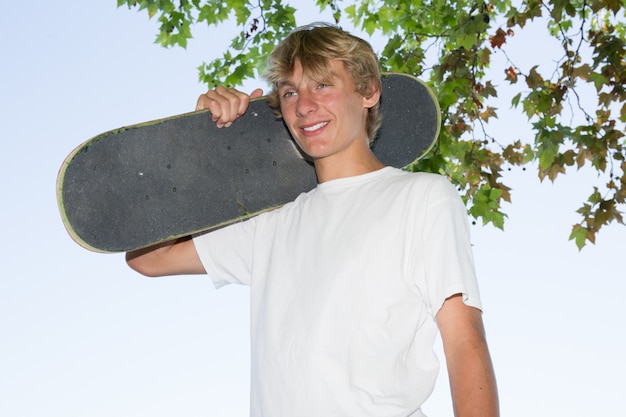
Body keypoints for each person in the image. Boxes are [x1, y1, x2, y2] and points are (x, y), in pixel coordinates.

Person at [126, 23, 499, 417]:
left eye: (322, 85)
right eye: (290, 92)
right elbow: (148, 258)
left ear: (368, 91)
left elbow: (464, 341)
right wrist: (202, 152)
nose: (304, 106)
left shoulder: (421, 197)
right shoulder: (273, 224)